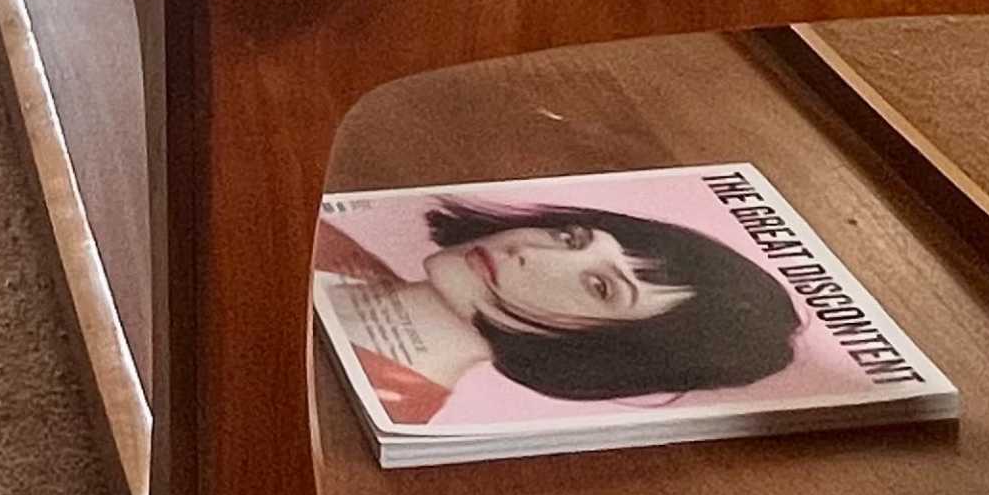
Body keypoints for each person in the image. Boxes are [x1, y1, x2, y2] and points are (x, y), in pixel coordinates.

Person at [314, 195, 801, 421]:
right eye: (573, 238)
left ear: (603, 352)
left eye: (600, 287)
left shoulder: (374, 409)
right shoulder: (329, 245)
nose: (532, 252)